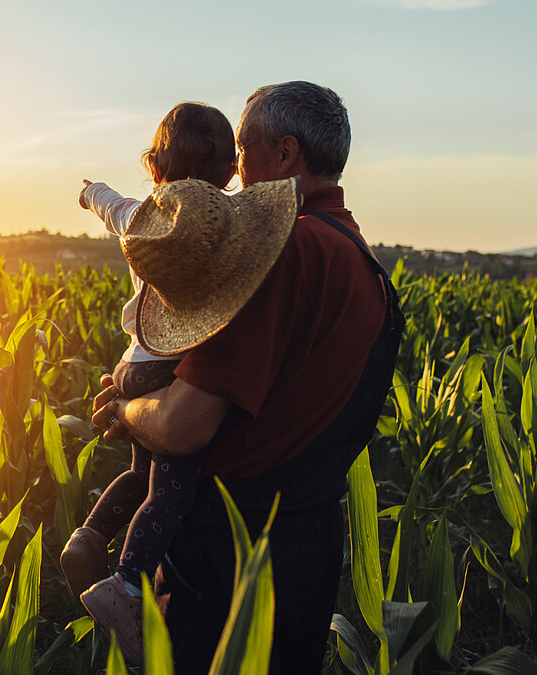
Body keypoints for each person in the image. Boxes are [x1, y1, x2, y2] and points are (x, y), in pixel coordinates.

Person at [91, 81, 405, 673]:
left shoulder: (281, 252)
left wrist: (125, 411)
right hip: (308, 545)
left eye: (243, 149)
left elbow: (183, 426)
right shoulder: (361, 261)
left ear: (285, 156)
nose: (233, 170)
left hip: (230, 554)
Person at [59, 102, 237, 663]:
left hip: (133, 361)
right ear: (231, 175)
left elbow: (110, 205)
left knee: (139, 474)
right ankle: (126, 582)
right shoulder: (221, 230)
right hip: (171, 365)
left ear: (155, 168)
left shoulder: (139, 217)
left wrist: (92, 192)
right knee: (172, 487)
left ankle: (88, 537)